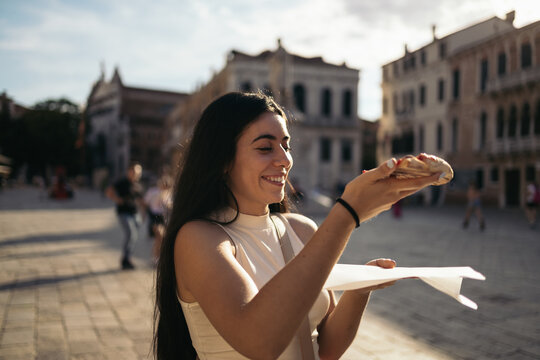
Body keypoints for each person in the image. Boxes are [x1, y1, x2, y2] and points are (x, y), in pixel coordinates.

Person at [153, 92, 440, 359]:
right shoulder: (199, 238)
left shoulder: (301, 229)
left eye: (286, 145)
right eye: (265, 147)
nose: (285, 159)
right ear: (223, 159)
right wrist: (347, 213)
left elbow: (325, 348)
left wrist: (359, 288)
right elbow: (258, 342)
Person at [106, 163, 144, 270]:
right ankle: (126, 259)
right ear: (129, 171)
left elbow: (140, 200)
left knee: (134, 236)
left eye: (138, 172)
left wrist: (144, 213)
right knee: (131, 234)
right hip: (124, 213)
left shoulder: (138, 185)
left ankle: (127, 257)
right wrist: (117, 199)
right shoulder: (122, 182)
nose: (136, 174)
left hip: (135, 214)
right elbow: (109, 191)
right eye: (134, 171)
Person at [144, 175, 173, 262]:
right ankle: (156, 257)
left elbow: (170, 205)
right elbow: (145, 203)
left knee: (160, 239)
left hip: (162, 217)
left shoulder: (168, 193)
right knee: (159, 236)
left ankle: (156, 256)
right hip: (154, 216)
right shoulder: (153, 191)